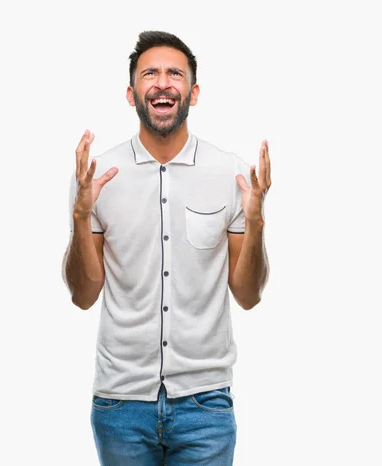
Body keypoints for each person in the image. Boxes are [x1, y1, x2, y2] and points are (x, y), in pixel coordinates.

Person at [62, 30, 271, 465]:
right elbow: (83, 296)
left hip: (205, 405)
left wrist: (255, 222)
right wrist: (80, 217)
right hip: (120, 405)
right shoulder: (98, 177)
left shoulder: (228, 173)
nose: (162, 82)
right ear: (131, 92)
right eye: (149, 73)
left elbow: (248, 296)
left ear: (193, 93)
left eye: (174, 73)